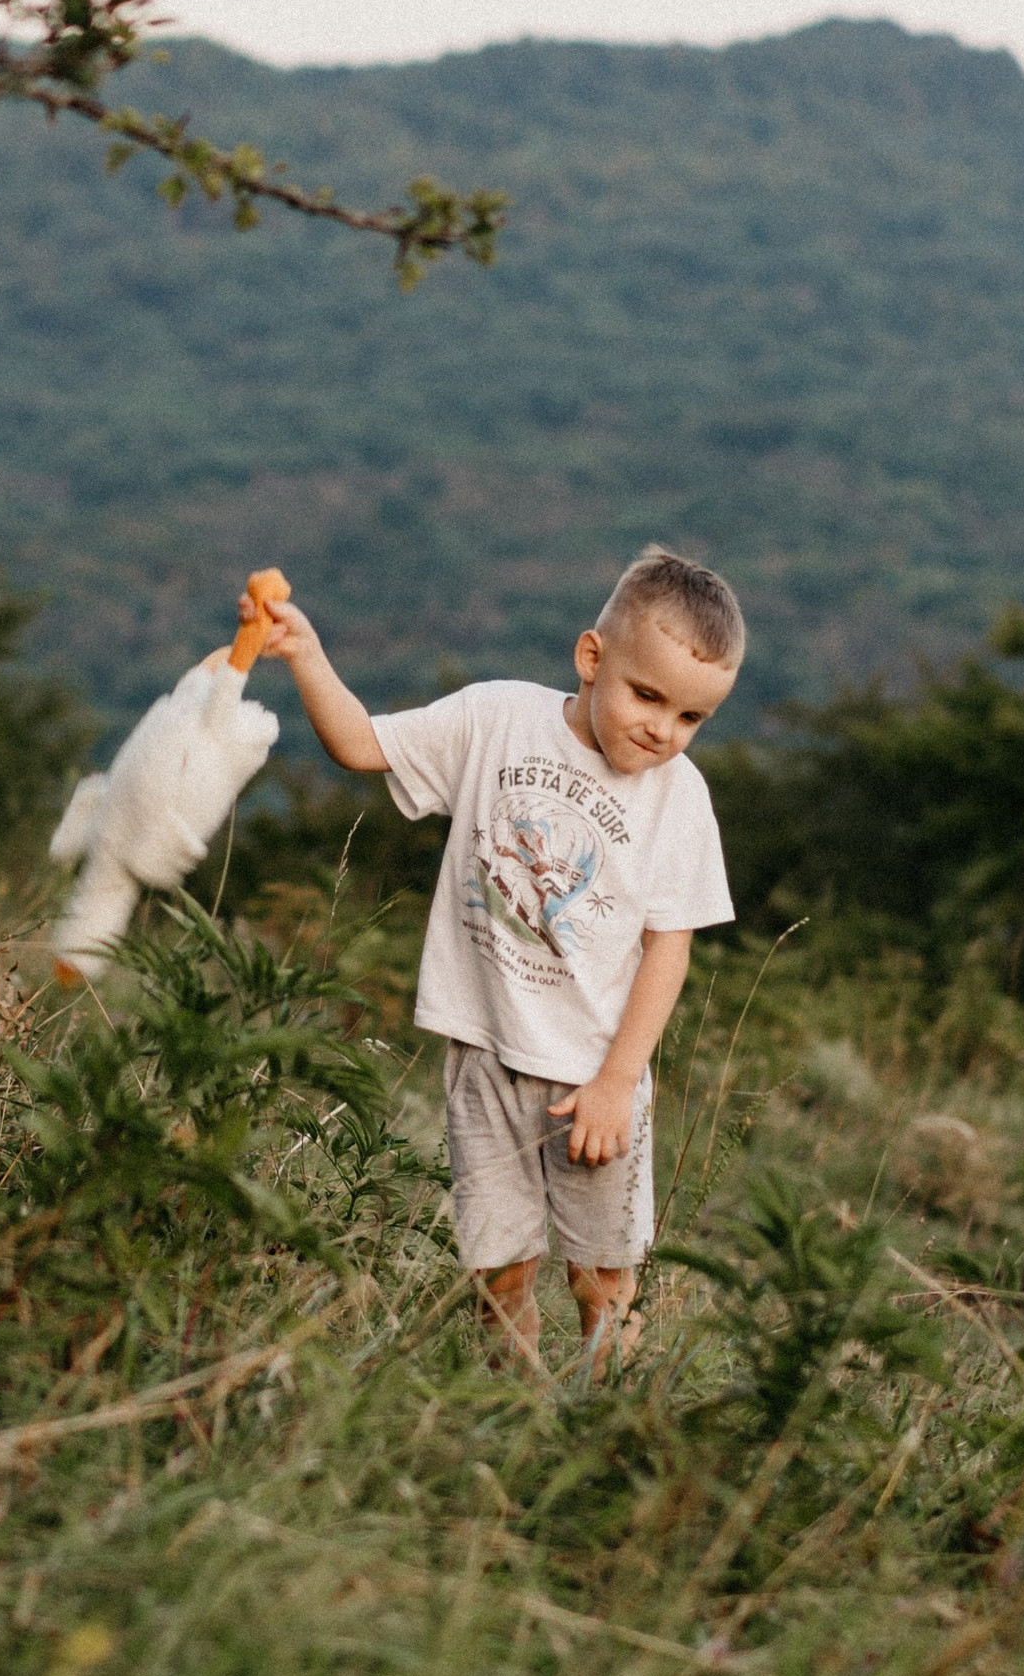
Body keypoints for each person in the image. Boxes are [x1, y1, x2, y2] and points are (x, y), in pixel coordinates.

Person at [246, 548, 743, 1373]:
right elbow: (364, 746)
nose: (663, 730)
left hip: (596, 1077)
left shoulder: (679, 798)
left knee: (604, 1277)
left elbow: (669, 948)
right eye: (647, 696)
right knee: (497, 1270)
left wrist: (619, 1082)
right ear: (592, 659)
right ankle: (510, 1408)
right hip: (486, 1057)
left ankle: (602, 1416)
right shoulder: (497, 719)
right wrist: (304, 653)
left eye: (691, 719)